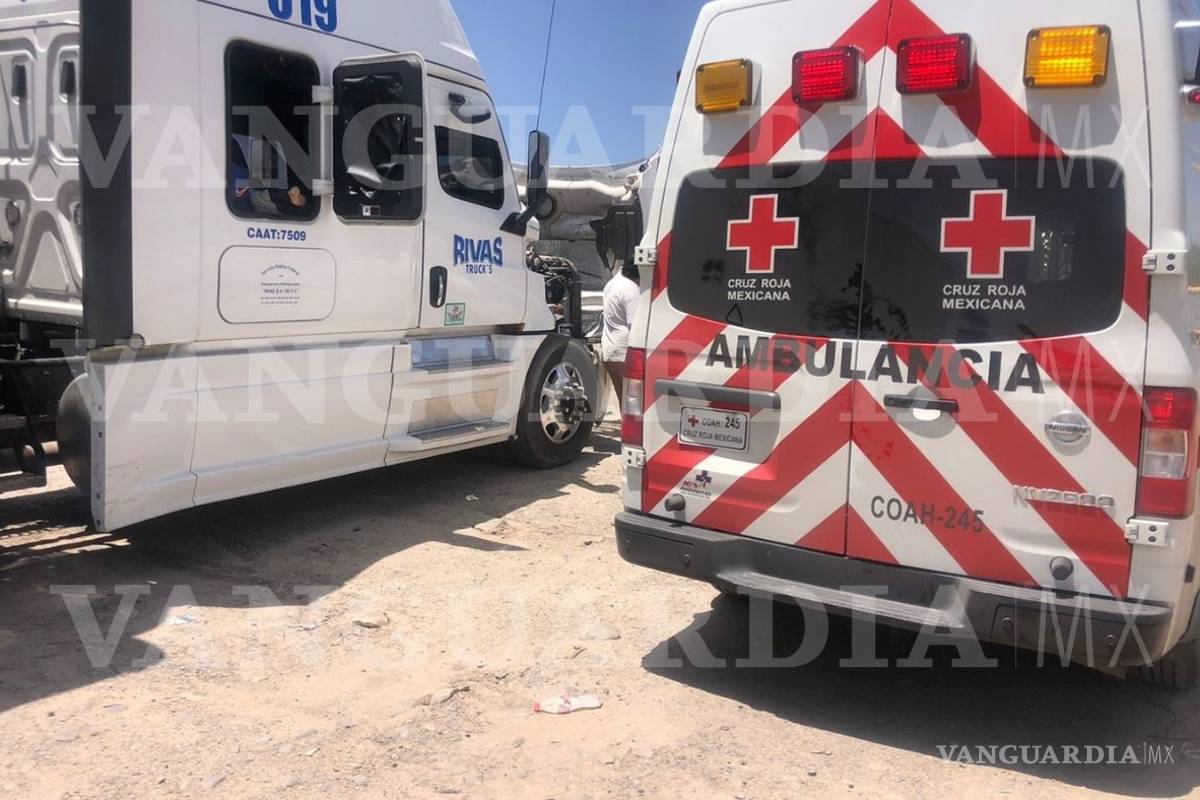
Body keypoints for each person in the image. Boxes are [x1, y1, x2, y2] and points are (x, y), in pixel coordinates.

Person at [601, 263, 641, 409]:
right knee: (635, 404)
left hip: (610, 350)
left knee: (624, 402)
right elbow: (636, 326)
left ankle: (625, 430)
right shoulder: (631, 290)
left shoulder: (612, 284)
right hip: (625, 353)